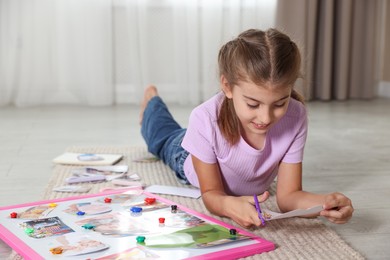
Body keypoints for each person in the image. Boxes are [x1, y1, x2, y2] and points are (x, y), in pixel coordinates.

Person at [139, 28, 354, 228]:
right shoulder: (204, 118)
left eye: (280, 103)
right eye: (253, 104)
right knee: (160, 135)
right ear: (227, 87)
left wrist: (324, 203)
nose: (266, 117)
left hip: (209, 136)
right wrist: (227, 205)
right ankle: (152, 100)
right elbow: (212, 193)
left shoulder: (296, 117)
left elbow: (288, 197)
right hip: (185, 154)